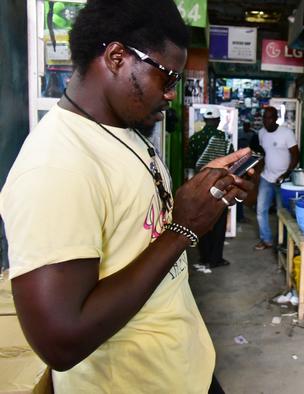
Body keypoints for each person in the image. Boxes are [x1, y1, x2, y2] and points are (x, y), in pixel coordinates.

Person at [0, 1, 254, 392]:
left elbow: (138, 233)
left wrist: (205, 193)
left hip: (183, 368)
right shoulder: (56, 165)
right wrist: (183, 229)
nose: (171, 95)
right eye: (167, 78)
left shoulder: (123, 132)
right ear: (117, 57)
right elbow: (60, 341)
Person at [187, 108, 233, 269]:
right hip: (219, 186)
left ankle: (204, 257)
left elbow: (190, 164)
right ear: (218, 121)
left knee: (202, 220)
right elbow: (231, 163)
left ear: (205, 121)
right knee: (218, 222)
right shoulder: (222, 138)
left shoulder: (194, 138)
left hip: (199, 185)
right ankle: (215, 259)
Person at [254, 106, 299, 250]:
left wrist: (286, 174)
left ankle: (284, 243)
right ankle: (266, 240)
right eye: (264, 118)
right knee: (261, 210)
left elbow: (296, 155)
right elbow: (263, 154)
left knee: (283, 213)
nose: (266, 122)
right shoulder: (261, 133)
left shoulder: (286, 133)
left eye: (269, 118)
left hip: (283, 180)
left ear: (276, 119)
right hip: (266, 177)